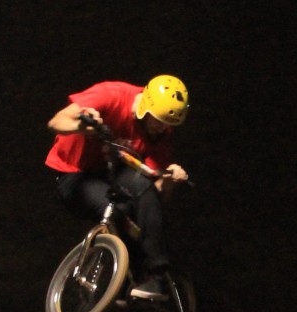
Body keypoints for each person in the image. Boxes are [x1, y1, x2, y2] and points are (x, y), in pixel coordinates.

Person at [46, 74, 191, 300]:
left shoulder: (160, 132)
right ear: (146, 105)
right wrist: (80, 125)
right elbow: (56, 121)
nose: (160, 127)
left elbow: (156, 194)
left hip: (111, 172)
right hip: (73, 174)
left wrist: (170, 180)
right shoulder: (112, 95)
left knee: (142, 188)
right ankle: (117, 277)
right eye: (157, 120)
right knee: (117, 210)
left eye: (167, 124)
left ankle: (155, 276)